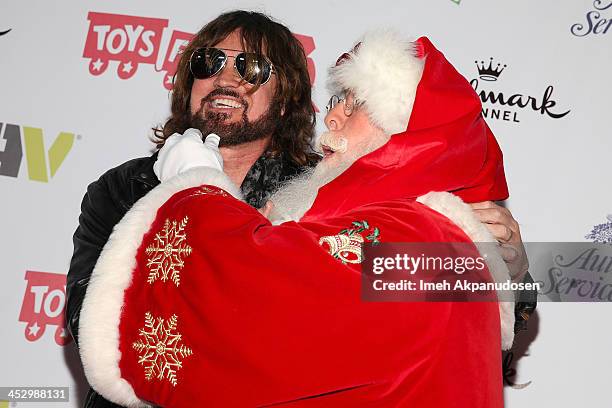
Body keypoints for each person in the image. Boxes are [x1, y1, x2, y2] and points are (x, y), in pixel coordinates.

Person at [67, 10, 532, 407]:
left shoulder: (323, 188)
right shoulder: (125, 186)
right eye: (208, 63)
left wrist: (513, 267)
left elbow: (460, 330)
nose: (225, 77)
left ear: (287, 98)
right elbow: (93, 318)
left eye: (250, 67)